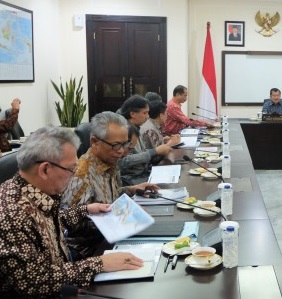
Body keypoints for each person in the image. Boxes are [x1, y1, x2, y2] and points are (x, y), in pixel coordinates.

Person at [0, 127, 143, 298]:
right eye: (71, 169)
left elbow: (46, 225)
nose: (74, 174)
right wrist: (100, 263)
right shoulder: (12, 213)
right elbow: (32, 281)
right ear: (45, 170)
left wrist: (85, 210)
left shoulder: (33, 192)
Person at [61, 112, 159, 260]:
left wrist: (132, 189)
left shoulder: (109, 162)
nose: (121, 151)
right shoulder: (81, 175)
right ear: (94, 142)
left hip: (113, 238)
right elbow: (70, 225)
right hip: (90, 251)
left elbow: (107, 196)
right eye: (115, 145)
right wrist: (121, 217)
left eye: (125, 144)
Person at [118, 95, 179, 186]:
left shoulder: (136, 127)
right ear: (132, 114)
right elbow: (122, 161)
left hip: (144, 174)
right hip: (132, 180)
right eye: (144, 113)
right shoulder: (123, 131)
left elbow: (141, 152)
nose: (147, 117)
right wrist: (154, 152)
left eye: (148, 113)